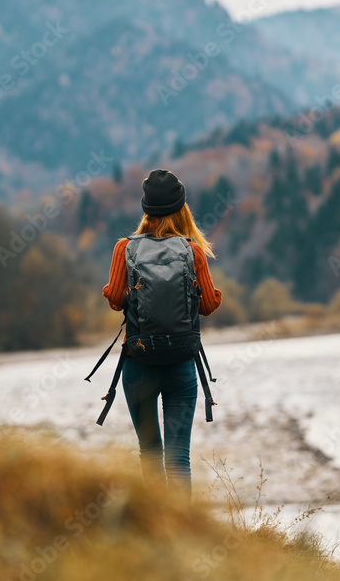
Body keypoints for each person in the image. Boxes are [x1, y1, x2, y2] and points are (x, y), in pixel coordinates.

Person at [102, 169, 222, 499]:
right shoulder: (192, 251)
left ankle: (156, 535)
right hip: (181, 365)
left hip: (138, 364)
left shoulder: (124, 249)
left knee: (150, 455)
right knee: (179, 461)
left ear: (146, 210)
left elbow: (114, 298)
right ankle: (183, 535)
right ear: (181, 208)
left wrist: (126, 295)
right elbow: (209, 305)